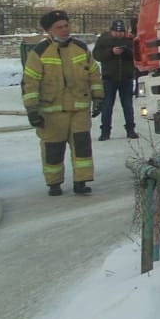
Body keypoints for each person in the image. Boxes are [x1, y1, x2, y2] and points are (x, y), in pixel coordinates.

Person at [22, 10, 103, 196]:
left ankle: (81, 181)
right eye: (59, 27)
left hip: (79, 110)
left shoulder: (80, 48)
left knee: (82, 147)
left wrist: (98, 97)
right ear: (49, 31)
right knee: (53, 149)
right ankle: (54, 183)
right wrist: (32, 109)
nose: (65, 30)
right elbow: (30, 82)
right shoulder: (39, 52)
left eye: (66, 25)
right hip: (51, 113)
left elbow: (94, 74)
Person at [93, 19, 139, 141]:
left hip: (126, 77)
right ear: (111, 31)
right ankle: (105, 131)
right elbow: (97, 55)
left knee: (128, 105)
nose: (119, 34)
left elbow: (138, 54)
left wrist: (127, 52)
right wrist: (111, 52)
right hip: (109, 77)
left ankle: (130, 129)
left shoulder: (130, 40)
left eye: (121, 32)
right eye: (116, 31)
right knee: (107, 106)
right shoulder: (104, 39)